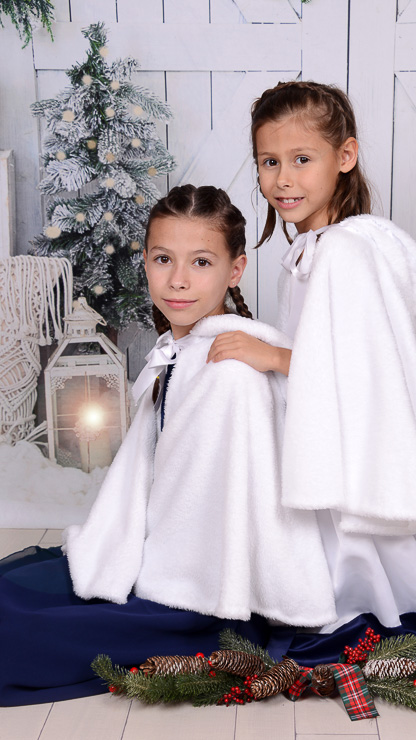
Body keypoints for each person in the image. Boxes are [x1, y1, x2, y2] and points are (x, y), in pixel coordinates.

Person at [206, 80, 416, 664]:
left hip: (361, 443)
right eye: (268, 162)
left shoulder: (343, 253)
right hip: (334, 429)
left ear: (345, 157)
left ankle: (396, 605)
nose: (282, 179)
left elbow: (366, 362)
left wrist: (277, 359)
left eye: (302, 160)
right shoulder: (317, 248)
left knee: (387, 552)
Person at [0, 184, 336, 705]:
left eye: (201, 262)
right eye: (163, 259)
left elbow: (223, 517)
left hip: (198, 592)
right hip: (149, 555)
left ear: (235, 269)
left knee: (18, 627)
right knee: (16, 584)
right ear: (146, 262)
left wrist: (154, 572)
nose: (177, 280)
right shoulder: (181, 353)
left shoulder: (232, 373)